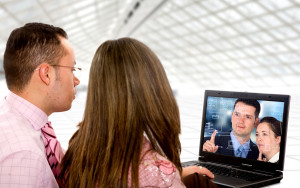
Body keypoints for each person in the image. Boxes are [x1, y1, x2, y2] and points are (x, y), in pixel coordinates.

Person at [60, 38, 217, 188]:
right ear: (151, 90)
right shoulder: (157, 174)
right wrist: (168, 176)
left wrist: (174, 175)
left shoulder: (76, 149)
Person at [0, 23, 80, 187]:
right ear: (46, 74)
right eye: (72, 69)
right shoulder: (24, 154)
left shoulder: (21, 122)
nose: (77, 81)